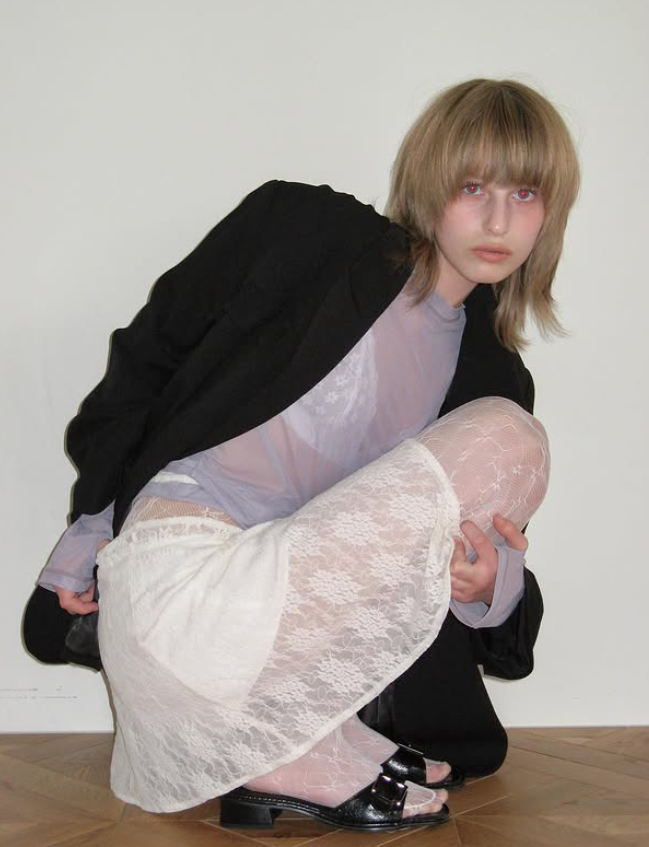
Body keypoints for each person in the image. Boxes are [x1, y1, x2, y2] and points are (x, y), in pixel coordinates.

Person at [23, 78, 579, 830]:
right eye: (472, 186)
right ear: (428, 182)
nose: (496, 220)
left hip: (270, 654)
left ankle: (298, 739)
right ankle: (287, 754)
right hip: (179, 604)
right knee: (512, 437)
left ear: (550, 213)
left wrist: (490, 584)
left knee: (510, 430)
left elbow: (493, 603)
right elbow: (150, 356)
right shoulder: (304, 230)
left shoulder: (490, 376)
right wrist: (92, 521)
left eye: (525, 194)